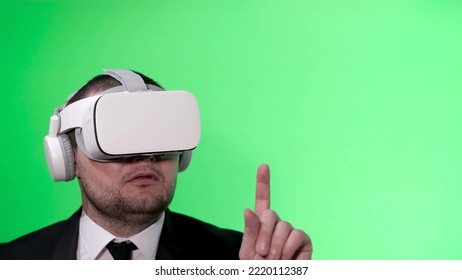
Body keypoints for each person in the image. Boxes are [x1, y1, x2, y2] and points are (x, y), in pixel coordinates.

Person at [0, 69, 312, 260]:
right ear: (68, 157)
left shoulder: (237, 260)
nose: (146, 156)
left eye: (161, 135)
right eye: (119, 136)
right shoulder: (12, 262)